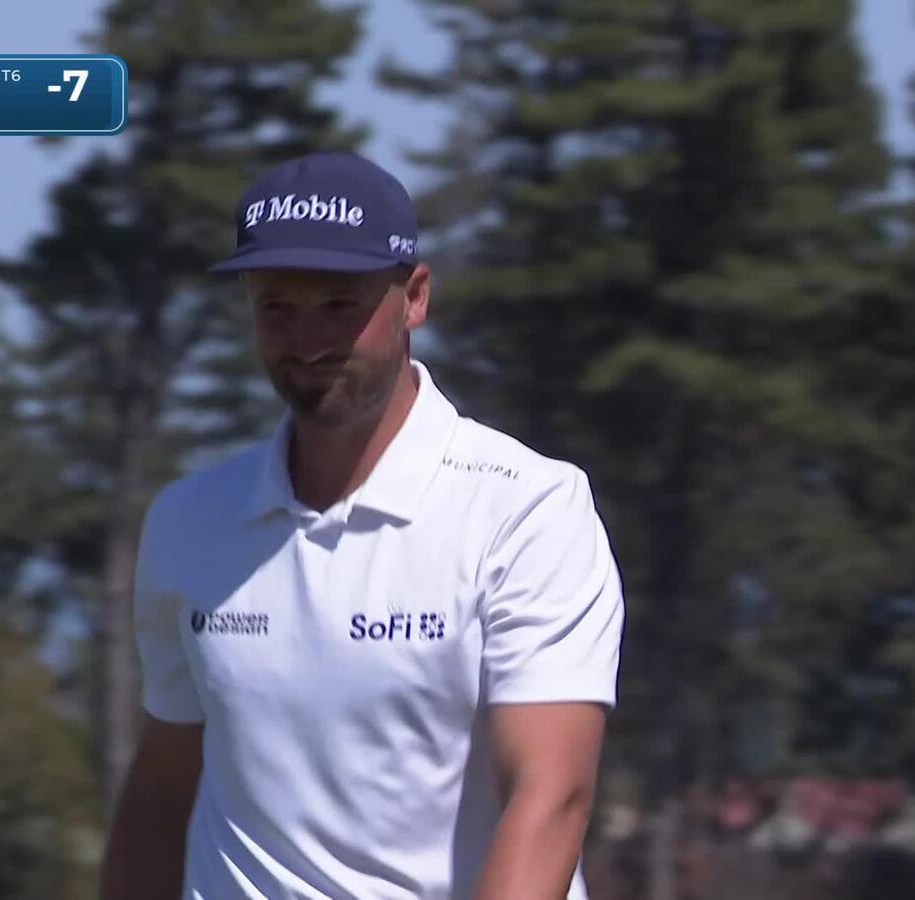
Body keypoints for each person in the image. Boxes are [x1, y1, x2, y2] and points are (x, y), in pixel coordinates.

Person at [98, 151, 626, 900]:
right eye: (276, 306)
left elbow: (550, 800)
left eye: (340, 306)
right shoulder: (190, 520)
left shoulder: (528, 510)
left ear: (414, 297)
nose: (306, 340)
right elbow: (161, 792)